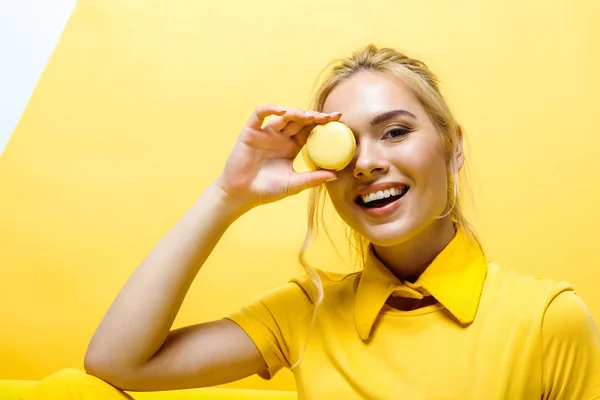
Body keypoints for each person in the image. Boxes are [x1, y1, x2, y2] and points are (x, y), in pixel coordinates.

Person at [22, 45, 600, 400]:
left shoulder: (547, 319)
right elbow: (115, 363)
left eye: (396, 131)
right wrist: (229, 194)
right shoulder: (308, 312)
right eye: (346, 146)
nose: (368, 163)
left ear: (453, 148)